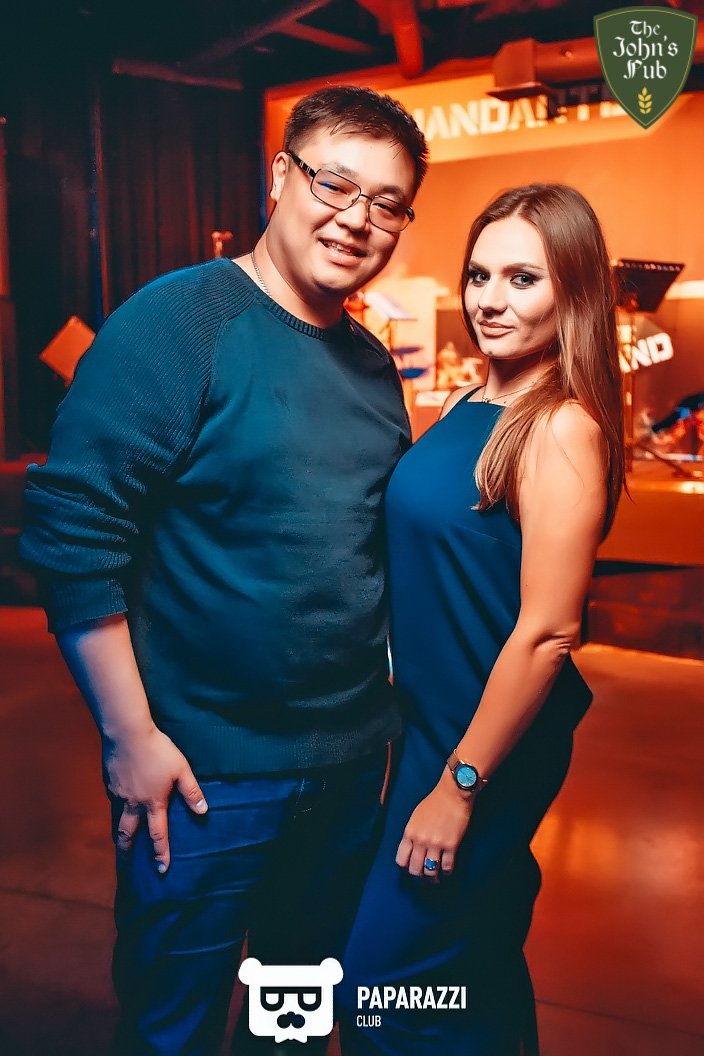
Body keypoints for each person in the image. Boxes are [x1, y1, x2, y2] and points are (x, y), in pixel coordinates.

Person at [20, 85, 428, 1055]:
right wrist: (129, 737)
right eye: (335, 184)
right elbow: (74, 534)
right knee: (173, 1028)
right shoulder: (178, 322)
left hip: (346, 766)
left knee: (293, 1024)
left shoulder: (373, 367)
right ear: (280, 178)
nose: (357, 218)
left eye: (387, 203)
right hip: (205, 774)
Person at [338, 183, 625, 1055]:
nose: (490, 299)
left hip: (486, 744)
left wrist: (459, 787)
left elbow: (548, 632)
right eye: (479, 275)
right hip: (428, 726)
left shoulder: (561, 427)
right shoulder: (470, 402)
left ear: (573, 292)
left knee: (381, 985)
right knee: (473, 963)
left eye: (523, 279)